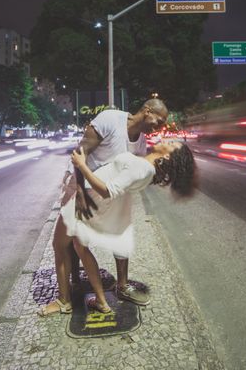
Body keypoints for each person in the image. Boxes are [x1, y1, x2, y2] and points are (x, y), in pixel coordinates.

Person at [38, 140, 196, 316]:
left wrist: (82, 165)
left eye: (172, 143)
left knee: (59, 247)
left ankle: (63, 301)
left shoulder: (144, 168)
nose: (167, 139)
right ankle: (101, 301)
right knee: (80, 248)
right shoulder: (145, 167)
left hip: (85, 200)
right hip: (92, 200)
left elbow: (109, 190)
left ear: (168, 155)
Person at [61, 99, 168, 306]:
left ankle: (122, 285)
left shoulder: (141, 142)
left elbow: (129, 174)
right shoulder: (110, 119)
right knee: (75, 233)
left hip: (105, 187)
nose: (160, 125)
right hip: (81, 180)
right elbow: (80, 152)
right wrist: (80, 192)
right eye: (159, 120)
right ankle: (75, 280)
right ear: (147, 111)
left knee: (121, 229)